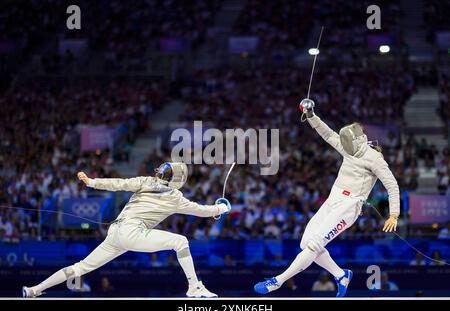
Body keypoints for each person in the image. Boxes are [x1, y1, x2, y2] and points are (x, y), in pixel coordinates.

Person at [254, 99, 400, 297]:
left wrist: (393, 215)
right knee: (305, 243)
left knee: (314, 244)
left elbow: (392, 185)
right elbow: (327, 133)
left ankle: (278, 281)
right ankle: (341, 275)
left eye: (348, 143)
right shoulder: (350, 149)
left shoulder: (374, 159)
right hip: (333, 200)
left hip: (350, 205)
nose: (344, 146)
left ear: (357, 141)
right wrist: (311, 115)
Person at [23, 162, 231, 298]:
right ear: (177, 180)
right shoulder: (175, 198)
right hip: (133, 233)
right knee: (181, 242)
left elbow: (118, 183)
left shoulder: (145, 181)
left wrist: (92, 182)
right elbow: (201, 211)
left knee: (80, 267)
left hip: (115, 233)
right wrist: (222, 208)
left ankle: (34, 290)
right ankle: (194, 287)